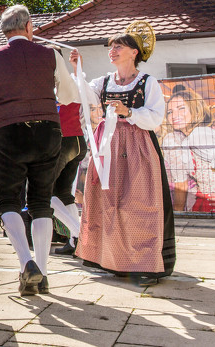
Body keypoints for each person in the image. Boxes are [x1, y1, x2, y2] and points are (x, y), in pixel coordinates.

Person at [0, 4, 78, 297]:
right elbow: (68, 95)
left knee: (7, 201)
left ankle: (26, 262)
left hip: (10, 132)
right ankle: (41, 274)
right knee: (41, 201)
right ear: (29, 27)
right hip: (48, 132)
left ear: (5, 31)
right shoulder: (50, 54)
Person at [70, 29, 176, 286]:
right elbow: (85, 97)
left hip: (139, 148)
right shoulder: (104, 82)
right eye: (111, 47)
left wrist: (129, 111)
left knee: (138, 205)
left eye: (118, 47)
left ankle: (147, 266)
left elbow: (155, 118)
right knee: (109, 205)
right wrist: (77, 69)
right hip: (108, 146)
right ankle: (115, 262)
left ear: (134, 52)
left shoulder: (147, 82)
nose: (112, 51)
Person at [161, 88, 215, 212]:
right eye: (170, 112)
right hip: (207, 202)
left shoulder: (200, 134)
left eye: (181, 108)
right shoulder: (187, 138)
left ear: (195, 111)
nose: (174, 115)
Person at [50, 102, 87, 255]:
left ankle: (79, 234)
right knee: (63, 193)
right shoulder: (74, 85)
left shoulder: (48, 86)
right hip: (78, 140)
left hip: (61, 141)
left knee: (43, 193)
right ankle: (74, 241)